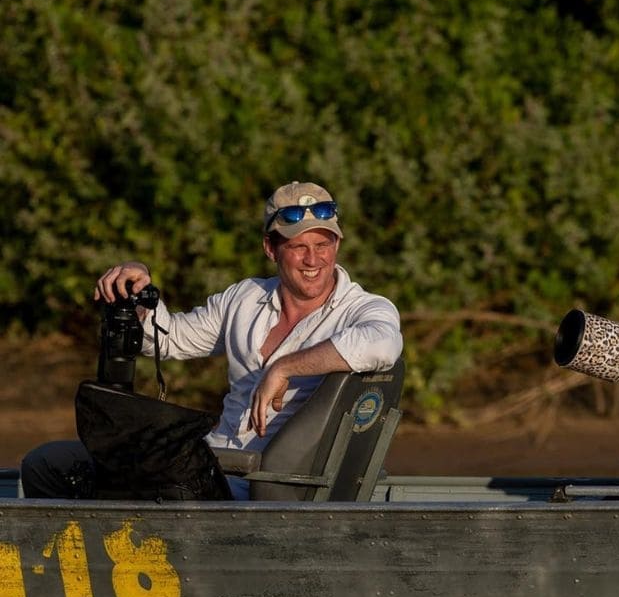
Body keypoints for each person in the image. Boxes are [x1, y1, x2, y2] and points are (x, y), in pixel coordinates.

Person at [21, 181, 403, 499]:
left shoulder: (364, 308)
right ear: (271, 248)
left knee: (159, 477)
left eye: (324, 244)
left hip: (256, 484)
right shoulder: (244, 298)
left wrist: (285, 367)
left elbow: (382, 345)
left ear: (338, 244)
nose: (313, 259)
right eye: (298, 246)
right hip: (207, 466)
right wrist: (141, 296)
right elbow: (170, 341)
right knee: (47, 464)